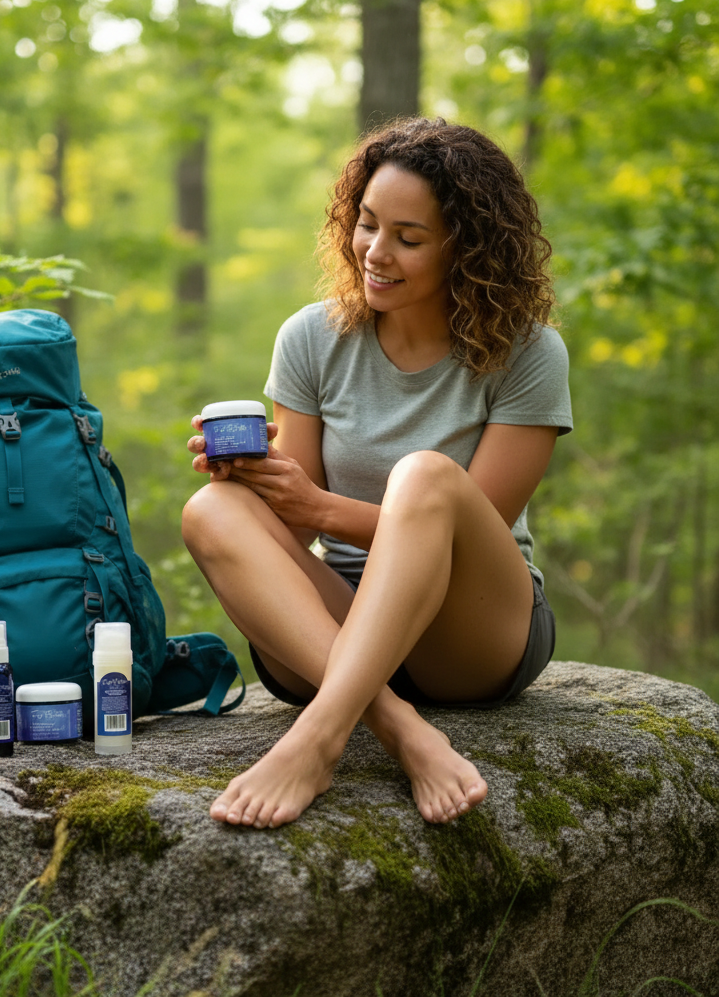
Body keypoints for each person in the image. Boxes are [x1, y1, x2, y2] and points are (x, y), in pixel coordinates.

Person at [182, 118, 572, 829]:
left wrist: (325, 510)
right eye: (366, 225)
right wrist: (252, 481)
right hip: (333, 622)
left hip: (470, 631)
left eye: (409, 238)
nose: (375, 252)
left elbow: (467, 521)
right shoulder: (312, 336)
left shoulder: (529, 353)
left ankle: (317, 740)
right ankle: (395, 727)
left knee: (424, 478)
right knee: (209, 508)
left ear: (469, 248)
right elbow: (294, 520)